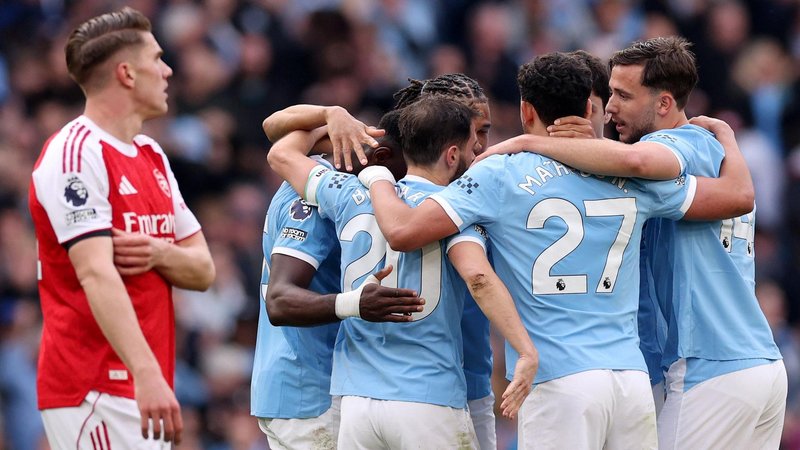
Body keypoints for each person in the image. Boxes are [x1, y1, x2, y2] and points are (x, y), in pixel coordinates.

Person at [357, 51, 755, 449]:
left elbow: (404, 232)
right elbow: (735, 198)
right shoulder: (628, 173)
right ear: (588, 107)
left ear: (525, 110)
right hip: (630, 381)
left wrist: (375, 176)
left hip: (556, 378)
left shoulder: (499, 171)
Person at [476, 37, 787, 449]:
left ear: (663, 104)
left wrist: (530, 142)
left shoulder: (674, 147)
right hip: (757, 360)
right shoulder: (715, 150)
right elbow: (737, 193)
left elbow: (639, 163)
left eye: (622, 95)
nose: (609, 108)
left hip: (708, 368)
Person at [267, 96, 537, 449]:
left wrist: (337, 122)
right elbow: (478, 278)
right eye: (473, 148)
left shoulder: (349, 194)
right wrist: (525, 350)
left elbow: (282, 153)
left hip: (356, 404)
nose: (478, 157)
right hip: (428, 398)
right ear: (452, 155)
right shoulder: (453, 212)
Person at [28, 7, 215, 448]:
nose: (168, 71)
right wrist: (146, 373)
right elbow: (95, 273)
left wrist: (160, 253)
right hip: (95, 386)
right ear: (127, 73)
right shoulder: (74, 156)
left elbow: (203, 271)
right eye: (157, 59)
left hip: (145, 386)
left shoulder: (151, 155)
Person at [252, 107, 424, 449]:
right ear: (383, 156)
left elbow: (279, 135)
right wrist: (356, 304)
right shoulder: (314, 195)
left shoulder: (326, 178)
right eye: (410, 171)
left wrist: (327, 123)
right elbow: (280, 300)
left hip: (331, 384)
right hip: (309, 393)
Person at [393, 73, 498, 450]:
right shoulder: (396, 195)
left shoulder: (379, 189)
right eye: (474, 134)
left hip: (470, 383)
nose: (481, 147)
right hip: (425, 391)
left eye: (486, 132)